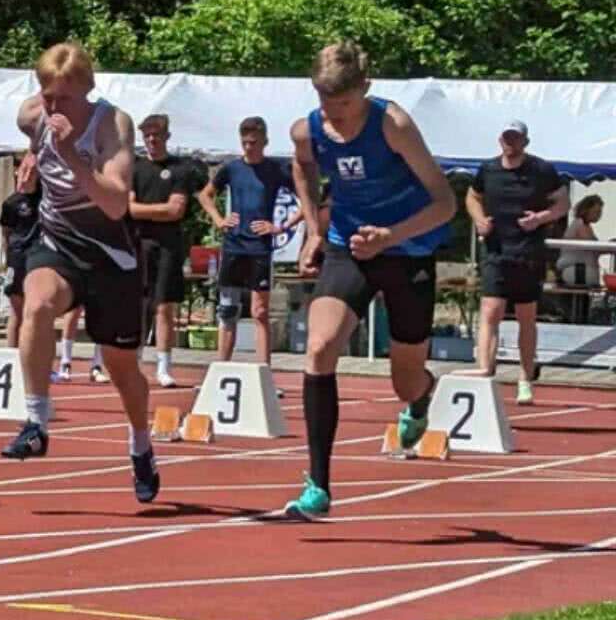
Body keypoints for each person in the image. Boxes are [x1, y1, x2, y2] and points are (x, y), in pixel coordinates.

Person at [282, 40, 456, 521]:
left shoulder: (392, 124)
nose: (333, 115)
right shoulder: (308, 130)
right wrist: (315, 230)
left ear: (365, 89)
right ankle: (318, 484)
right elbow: (300, 165)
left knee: (404, 380)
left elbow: (445, 203)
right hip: (349, 246)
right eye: (324, 103)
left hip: (409, 248)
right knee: (319, 349)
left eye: (342, 104)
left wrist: (391, 235)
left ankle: (420, 397)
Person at [1, 42, 161, 503]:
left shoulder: (113, 124)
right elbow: (36, 138)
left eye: (63, 100)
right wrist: (36, 153)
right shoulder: (31, 115)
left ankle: (140, 445)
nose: (53, 108)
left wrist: (71, 152)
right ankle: (36, 423)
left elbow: (114, 203)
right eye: (47, 96)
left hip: (112, 255)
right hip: (58, 242)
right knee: (36, 305)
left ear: (86, 90)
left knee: (121, 368)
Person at [462, 121, 566, 405]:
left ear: (525, 141)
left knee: (526, 317)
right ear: (500, 140)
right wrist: (479, 219)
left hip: (528, 252)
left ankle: (524, 377)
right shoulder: (488, 169)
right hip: (496, 250)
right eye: (507, 138)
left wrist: (540, 219)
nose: (510, 143)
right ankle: (484, 372)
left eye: (516, 138)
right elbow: (472, 196)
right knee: (490, 311)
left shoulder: (542, 170)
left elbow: (562, 203)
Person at [198, 116, 301, 369]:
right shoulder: (232, 169)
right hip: (234, 245)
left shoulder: (276, 169)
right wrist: (219, 219)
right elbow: (205, 195)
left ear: (264, 141)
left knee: (260, 312)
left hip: (260, 247)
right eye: (244, 142)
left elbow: (308, 199)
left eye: (253, 142)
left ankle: (264, 371)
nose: (248, 147)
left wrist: (281, 226)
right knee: (227, 311)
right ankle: (220, 368)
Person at [128, 113, 202, 387]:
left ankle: (163, 366)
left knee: (164, 307)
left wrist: (144, 211)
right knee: (138, 305)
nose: (151, 140)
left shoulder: (180, 170)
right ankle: (135, 361)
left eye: (156, 135)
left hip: (169, 245)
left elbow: (176, 210)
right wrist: (154, 211)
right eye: (147, 135)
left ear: (166, 136)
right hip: (140, 243)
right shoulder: (135, 169)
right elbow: (128, 208)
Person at [0, 156, 42, 349]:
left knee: (37, 312)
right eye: (25, 170)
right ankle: (12, 356)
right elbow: (5, 234)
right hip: (17, 259)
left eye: (33, 171)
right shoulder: (11, 203)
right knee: (17, 311)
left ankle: (35, 360)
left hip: (40, 259)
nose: (29, 175)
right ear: (17, 171)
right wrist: (8, 262)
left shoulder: (46, 198)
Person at [556, 195, 604, 321]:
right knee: (579, 305)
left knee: (583, 304)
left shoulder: (585, 226)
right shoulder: (580, 224)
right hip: (576, 271)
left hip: (579, 270)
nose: (599, 215)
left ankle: (580, 318)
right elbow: (592, 246)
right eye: (597, 211)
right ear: (586, 210)